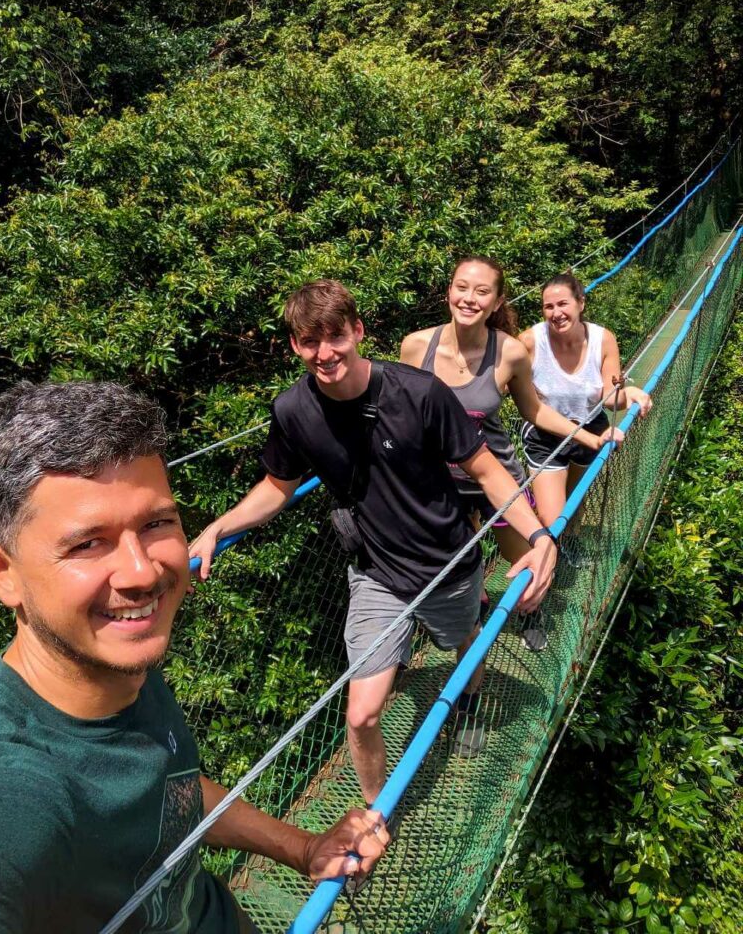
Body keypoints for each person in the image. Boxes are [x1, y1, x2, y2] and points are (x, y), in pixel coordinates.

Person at [0, 380, 390, 934]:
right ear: (2, 574)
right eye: (86, 543)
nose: (143, 572)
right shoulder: (8, 779)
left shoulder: (117, 667)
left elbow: (170, 787)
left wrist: (303, 846)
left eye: (156, 524)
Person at [190, 280, 557, 801]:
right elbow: (277, 487)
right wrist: (218, 527)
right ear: (294, 346)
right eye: (309, 342)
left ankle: (469, 702)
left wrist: (539, 534)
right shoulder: (293, 411)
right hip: (377, 573)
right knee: (360, 714)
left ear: (357, 331)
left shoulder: (420, 393)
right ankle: (371, 818)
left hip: (447, 561)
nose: (325, 353)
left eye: (335, 336)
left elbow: (485, 469)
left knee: (464, 646)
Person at [400, 256, 626, 570]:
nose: (469, 299)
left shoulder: (510, 352)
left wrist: (590, 438)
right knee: (456, 569)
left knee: (531, 562)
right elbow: (404, 418)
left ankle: (536, 611)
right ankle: (476, 598)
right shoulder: (415, 347)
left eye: (481, 292)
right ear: (449, 291)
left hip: (497, 476)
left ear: (497, 302)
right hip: (441, 482)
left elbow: (534, 410)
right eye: (461, 288)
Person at [518, 272, 652, 528]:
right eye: (549, 307)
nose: (556, 313)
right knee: (552, 519)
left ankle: (572, 548)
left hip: (590, 427)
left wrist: (629, 395)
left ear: (581, 303)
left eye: (563, 304)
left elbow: (609, 397)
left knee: (575, 503)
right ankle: (555, 559)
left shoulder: (603, 340)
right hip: (546, 434)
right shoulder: (529, 342)